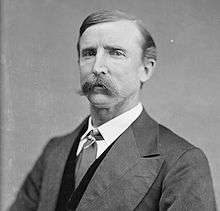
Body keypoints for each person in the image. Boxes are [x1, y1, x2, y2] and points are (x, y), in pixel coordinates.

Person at [10, 10, 216, 211]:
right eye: (89, 53)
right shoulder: (55, 151)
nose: (97, 67)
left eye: (116, 53)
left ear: (146, 69)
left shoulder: (182, 161)